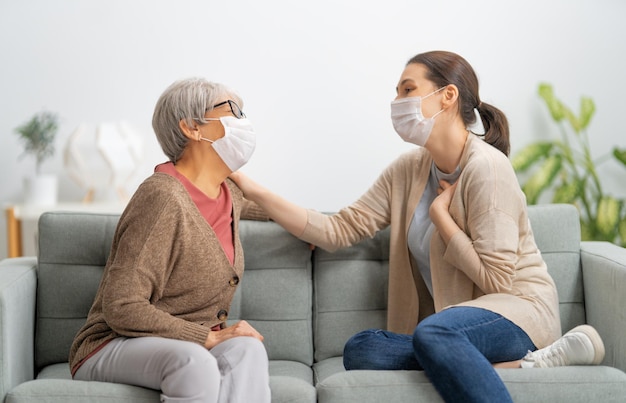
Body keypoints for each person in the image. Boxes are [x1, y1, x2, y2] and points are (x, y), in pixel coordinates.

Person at [229, 51, 605, 402]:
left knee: (435, 331)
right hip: (453, 328)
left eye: (408, 90)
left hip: (517, 313)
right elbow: (337, 229)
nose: (398, 102)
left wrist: (443, 220)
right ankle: (520, 365)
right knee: (362, 348)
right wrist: (248, 188)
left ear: (448, 96)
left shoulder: (487, 168)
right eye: (396, 93)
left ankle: (486, 354)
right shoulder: (407, 171)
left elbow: (498, 281)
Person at [69, 78, 271, 403]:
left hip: (186, 345)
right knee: (194, 362)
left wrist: (308, 231)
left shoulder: (228, 193)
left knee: (249, 350)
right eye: (231, 110)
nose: (242, 121)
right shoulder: (162, 196)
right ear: (191, 127)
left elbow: (269, 208)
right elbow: (122, 306)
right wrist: (206, 337)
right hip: (114, 342)